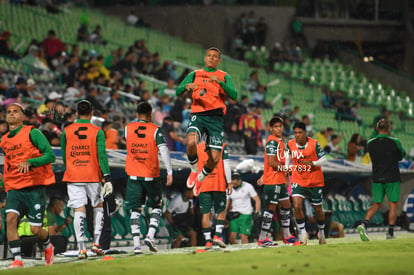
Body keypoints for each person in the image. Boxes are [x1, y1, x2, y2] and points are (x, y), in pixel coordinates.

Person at [0, 103, 56, 268]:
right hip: (15, 189)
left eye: (15, 111)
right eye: (8, 112)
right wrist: (4, 182)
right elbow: (9, 165)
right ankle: (18, 259)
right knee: (10, 219)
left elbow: (50, 155)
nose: (11, 114)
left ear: (23, 116)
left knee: (35, 230)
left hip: (34, 187)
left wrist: (30, 162)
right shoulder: (3, 140)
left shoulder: (33, 132)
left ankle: (48, 246)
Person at [176, 47, 237, 195]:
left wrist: (221, 83)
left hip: (215, 119)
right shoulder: (194, 74)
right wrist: (185, 87)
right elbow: (178, 91)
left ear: (219, 61)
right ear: (205, 58)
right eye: (209, 55)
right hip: (198, 115)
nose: (211, 58)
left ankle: (201, 177)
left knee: (215, 158)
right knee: (191, 143)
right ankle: (194, 170)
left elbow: (234, 96)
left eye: (215, 56)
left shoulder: (224, 76)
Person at [60, 100, 113, 259]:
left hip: (74, 174)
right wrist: (107, 177)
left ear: (77, 113)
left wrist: (72, 167)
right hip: (92, 175)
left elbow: (64, 155)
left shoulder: (67, 131)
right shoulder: (97, 132)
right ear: (91, 114)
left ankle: (82, 248)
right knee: (98, 206)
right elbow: (101, 156)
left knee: (79, 210)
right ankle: (96, 243)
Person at [124, 102, 173, 254]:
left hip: (133, 175)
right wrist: (170, 171)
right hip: (150, 175)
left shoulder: (127, 128)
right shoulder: (155, 130)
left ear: (137, 114)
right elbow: (164, 150)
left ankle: (137, 246)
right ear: (150, 114)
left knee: (135, 209)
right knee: (157, 206)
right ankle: (150, 236)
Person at [357, 119, 405, 241]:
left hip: (377, 177)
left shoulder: (370, 143)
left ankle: (364, 224)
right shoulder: (395, 141)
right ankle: (390, 233)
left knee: (376, 204)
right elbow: (401, 156)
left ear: (377, 129)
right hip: (392, 177)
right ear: (388, 129)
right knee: (393, 205)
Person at [257, 116, 298, 246]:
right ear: (271, 128)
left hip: (280, 180)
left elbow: (281, 161)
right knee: (270, 208)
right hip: (272, 181)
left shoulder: (281, 142)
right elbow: (271, 162)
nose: (279, 129)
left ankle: (286, 235)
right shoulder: (272, 142)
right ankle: (263, 238)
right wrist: (285, 169)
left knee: (286, 205)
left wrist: (286, 177)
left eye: (280, 126)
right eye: (276, 126)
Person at [286, 121, 327, 245]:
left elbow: (324, 159)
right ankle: (303, 232)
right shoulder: (290, 144)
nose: (297, 135)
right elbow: (287, 155)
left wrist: (313, 163)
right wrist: (287, 167)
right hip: (298, 179)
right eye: (295, 133)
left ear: (305, 133)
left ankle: (321, 231)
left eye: (300, 132)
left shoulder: (314, 144)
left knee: (318, 209)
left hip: (315, 180)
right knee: (297, 205)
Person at [196, 141, 232, 249]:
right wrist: (229, 182)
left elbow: (193, 167)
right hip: (218, 183)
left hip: (204, 184)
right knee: (221, 210)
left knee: (205, 214)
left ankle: (208, 241)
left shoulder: (198, 148)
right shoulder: (221, 146)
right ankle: (217, 236)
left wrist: (195, 183)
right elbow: (226, 164)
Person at [226, 171, 260, 244]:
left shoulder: (248, 186)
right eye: (232, 183)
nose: (233, 185)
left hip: (246, 214)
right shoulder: (229, 188)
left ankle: (245, 252)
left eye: (235, 184)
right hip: (234, 215)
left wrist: (257, 211)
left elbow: (257, 199)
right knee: (231, 238)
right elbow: (227, 203)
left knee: (243, 237)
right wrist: (225, 214)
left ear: (239, 181)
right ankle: (238, 252)